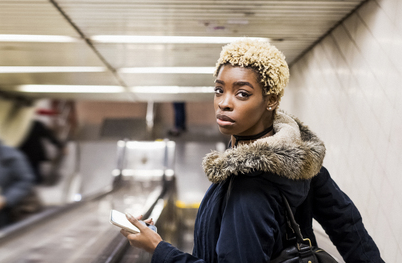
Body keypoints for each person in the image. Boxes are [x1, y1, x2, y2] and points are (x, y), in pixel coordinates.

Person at [120, 39, 383, 262]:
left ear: (271, 100)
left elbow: (345, 226)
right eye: (219, 90)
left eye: (242, 94)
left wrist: (158, 249)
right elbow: (348, 228)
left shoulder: (250, 190)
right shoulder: (300, 159)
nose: (224, 103)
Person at [19, 118, 64, 184]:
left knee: (34, 175)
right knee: (34, 175)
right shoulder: (35, 124)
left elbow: (48, 136)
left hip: (28, 155)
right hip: (30, 155)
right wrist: (60, 146)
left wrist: (60, 146)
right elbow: (49, 136)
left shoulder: (33, 125)